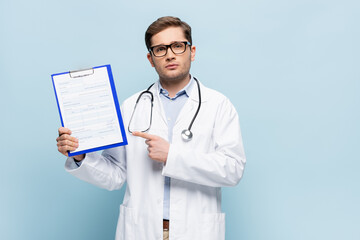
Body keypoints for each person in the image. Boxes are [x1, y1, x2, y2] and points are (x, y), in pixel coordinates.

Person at [56, 16, 246, 240]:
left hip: (196, 230)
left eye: (177, 46)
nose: (170, 54)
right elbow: (116, 174)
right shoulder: (131, 107)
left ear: (192, 51)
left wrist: (172, 155)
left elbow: (233, 169)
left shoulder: (218, 105)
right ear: (151, 58)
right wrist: (81, 156)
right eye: (160, 49)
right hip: (141, 229)